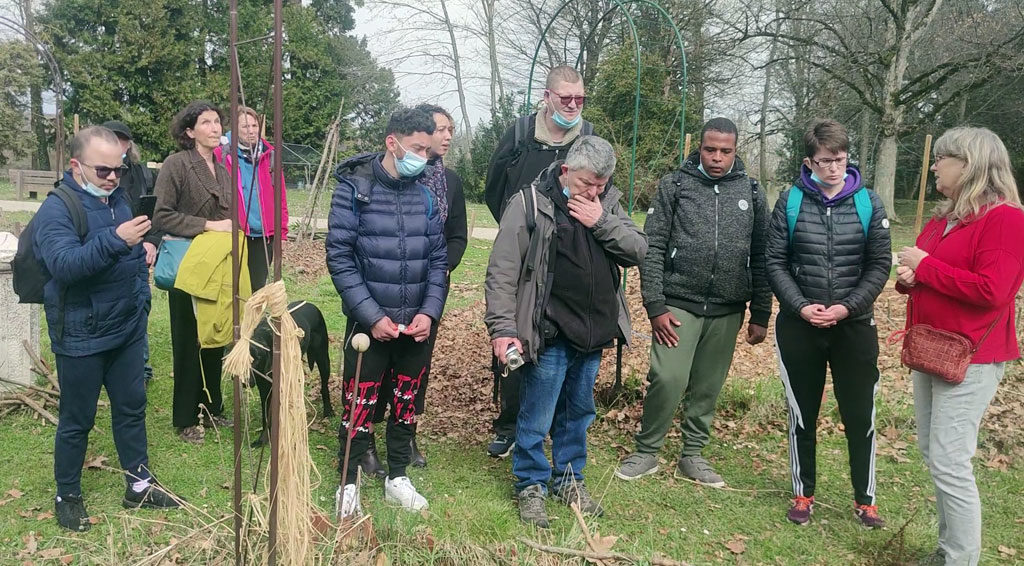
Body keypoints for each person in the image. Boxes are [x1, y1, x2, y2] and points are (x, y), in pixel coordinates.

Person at [485, 135, 647, 527]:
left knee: (578, 413)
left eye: (601, 184)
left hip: (594, 332)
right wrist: (502, 328)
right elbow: (502, 271)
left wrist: (601, 221)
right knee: (537, 415)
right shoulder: (531, 202)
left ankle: (569, 479)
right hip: (549, 330)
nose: (593, 191)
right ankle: (531, 485)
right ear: (565, 170)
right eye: (587, 183)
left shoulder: (606, 204)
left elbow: (638, 249)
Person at [35, 126, 179, 532]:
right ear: (76, 165)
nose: (113, 178)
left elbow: (129, 255)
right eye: (104, 171)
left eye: (119, 169)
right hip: (81, 334)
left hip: (126, 328)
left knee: (131, 409)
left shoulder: (118, 199)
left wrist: (140, 259)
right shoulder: (57, 209)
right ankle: (68, 493)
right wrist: (116, 240)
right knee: (77, 419)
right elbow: (64, 266)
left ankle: (138, 484)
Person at [614, 118, 771, 486]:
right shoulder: (675, 186)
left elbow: (763, 252)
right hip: (677, 303)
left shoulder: (751, 191)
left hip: (728, 307)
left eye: (725, 151)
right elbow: (650, 250)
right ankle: (647, 450)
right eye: (710, 149)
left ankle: (693, 454)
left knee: (707, 386)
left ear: (735, 151)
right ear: (698, 148)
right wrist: (655, 305)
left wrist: (761, 311)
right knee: (668, 377)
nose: (717, 158)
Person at [895, 127, 1024, 566]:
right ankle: (948, 551)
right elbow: (926, 269)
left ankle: (959, 559)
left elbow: (994, 289)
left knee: (951, 461)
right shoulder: (946, 216)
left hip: (972, 358)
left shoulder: (1005, 219)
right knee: (935, 455)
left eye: (942, 159)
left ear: (968, 164)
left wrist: (926, 267)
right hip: (932, 348)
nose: (934, 166)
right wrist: (910, 277)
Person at [765, 119, 891, 528]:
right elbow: (774, 262)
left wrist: (849, 307)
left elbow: (879, 264)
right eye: (825, 161)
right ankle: (803, 494)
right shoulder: (790, 201)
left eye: (839, 160)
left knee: (860, 414)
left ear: (847, 158)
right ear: (809, 162)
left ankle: (866, 500)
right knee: (803, 413)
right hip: (799, 325)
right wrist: (801, 306)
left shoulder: (869, 202)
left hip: (854, 326)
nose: (833, 168)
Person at [328, 108, 448, 518]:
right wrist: (370, 315)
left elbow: (438, 261)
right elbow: (340, 257)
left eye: (428, 151)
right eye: (417, 148)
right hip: (369, 325)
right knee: (358, 404)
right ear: (391, 142)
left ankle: (398, 475)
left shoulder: (426, 195)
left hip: (414, 326)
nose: (424, 158)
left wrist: (429, 313)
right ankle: (347, 482)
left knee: (405, 403)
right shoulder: (353, 190)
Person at [482, 65, 595, 459]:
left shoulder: (590, 138)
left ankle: (554, 428)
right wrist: (519, 231)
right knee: (516, 339)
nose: (572, 105)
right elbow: (494, 188)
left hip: (571, 257)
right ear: (546, 97)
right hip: (525, 254)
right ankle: (510, 423)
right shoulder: (518, 135)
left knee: (562, 348)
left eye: (579, 98)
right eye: (565, 98)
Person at [364, 103, 468, 475]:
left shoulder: (449, 182)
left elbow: (454, 237)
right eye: (440, 128)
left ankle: (406, 434)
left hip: (429, 287)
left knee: (414, 366)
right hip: (384, 287)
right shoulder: (391, 179)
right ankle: (368, 436)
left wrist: (435, 271)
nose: (445, 136)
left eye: (450, 129)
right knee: (376, 367)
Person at [153, 100, 236, 445]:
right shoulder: (176, 165)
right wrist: (208, 226)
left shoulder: (223, 167)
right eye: (206, 123)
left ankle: (212, 406)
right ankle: (186, 416)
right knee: (188, 340)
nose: (215, 128)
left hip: (217, 264)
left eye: (218, 122)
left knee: (215, 334)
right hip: (188, 264)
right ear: (189, 131)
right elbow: (161, 216)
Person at [103, 120, 160, 382]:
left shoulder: (142, 174)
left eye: (122, 140)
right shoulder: (90, 176)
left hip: (137, 256)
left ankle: (140, 368)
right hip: (105, 255)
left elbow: (158, 213)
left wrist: (152, 241)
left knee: (139, 309)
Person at [213, 106, 289, 290]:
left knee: (257, 288)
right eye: (246, 126)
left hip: (264, 235)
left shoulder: (270, 155)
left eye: (255, 125)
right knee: (232, 287)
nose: (252, 130)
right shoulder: (221, 154)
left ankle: (253, 320)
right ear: (235, 128)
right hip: (235, 233)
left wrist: (282, 231)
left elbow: (281, 196)